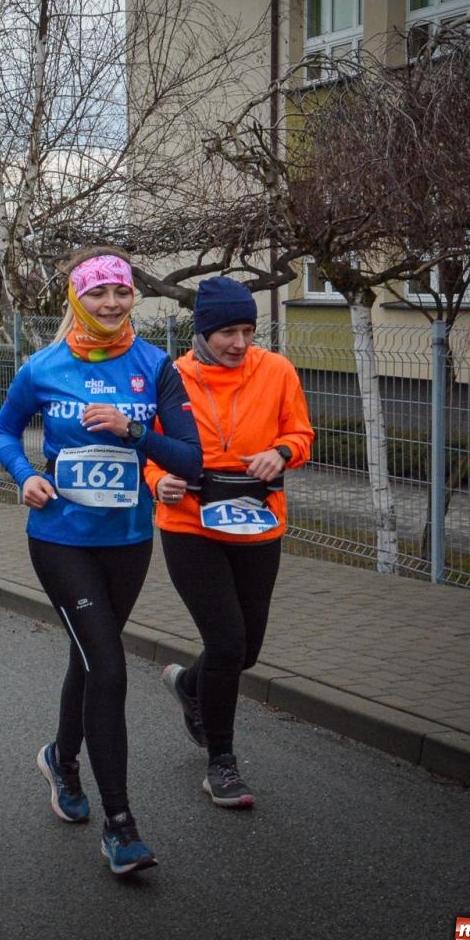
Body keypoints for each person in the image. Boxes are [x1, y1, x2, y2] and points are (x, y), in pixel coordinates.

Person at [0, 248, 202, 876]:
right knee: (108, 667)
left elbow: (189, 457)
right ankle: (120, 825)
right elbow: (2, 431)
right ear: (76, 299)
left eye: (122, 292)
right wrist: (24, 475)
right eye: (98, 293)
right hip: (59, 536)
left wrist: (134, 432)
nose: (112, 303)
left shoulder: (156, 366)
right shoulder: (42, 367)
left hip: (129, 539)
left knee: (90, 656)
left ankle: (62, 759)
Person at [144, 276, 313, 809]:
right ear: (202, 332)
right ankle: (221, 762)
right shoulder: (171, 377)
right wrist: (158, 481)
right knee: (225, 642)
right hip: (191, 525)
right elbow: (150, 447)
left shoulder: (277, 371)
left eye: (247, 330)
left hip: (258, 524)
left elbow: (301, 434)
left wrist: (282, 453)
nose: (239, 343)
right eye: (226, 333)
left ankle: (190, 687)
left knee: (247, 649)